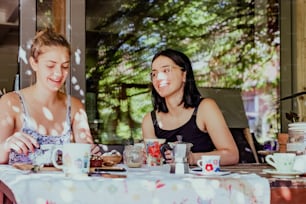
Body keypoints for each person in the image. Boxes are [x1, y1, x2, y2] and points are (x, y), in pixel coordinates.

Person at [0, 28, 100, 165]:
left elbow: (86, 155)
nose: (59, 73)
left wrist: (92, 153)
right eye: (50, 66)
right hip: (19, 186)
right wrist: (6, 146)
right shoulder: (11, 102)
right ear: (34, 63)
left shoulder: (75, 107)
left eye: (65, 67)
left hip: (65, 186)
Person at [142, 49, 239, 165]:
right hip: (165, 182)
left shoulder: (205, 108)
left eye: (166, 70)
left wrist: (192, 158)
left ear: (184, 75)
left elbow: (231, 155)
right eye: (154, 73)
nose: (158, 77)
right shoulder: (150, 120)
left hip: (206, 181)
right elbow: (153, 164)